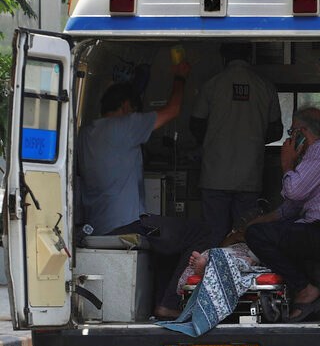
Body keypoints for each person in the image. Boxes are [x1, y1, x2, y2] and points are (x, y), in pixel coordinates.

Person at [78, 63, 217, 319]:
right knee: (199, 231)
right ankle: (169, 304)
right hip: (132, 227)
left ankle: (160, 303)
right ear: (126, 108)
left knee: (167, 238)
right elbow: (173, 110)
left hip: (99, 226)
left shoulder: (86, 133)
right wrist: (180, 77)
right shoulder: (125, 125)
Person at [240, 107, 320, 321]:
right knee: (260, 232)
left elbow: (294, 190)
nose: (290, 138)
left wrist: (287, 163)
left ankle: (305, 289)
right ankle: (300, 297)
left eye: (292, 132)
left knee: (258, 236)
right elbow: (291, 207)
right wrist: (258, 223)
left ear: (301, 132)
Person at [190, 42, 283, 243]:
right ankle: (240, 272)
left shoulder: (212, 84)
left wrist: (213, 139)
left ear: (223, 58)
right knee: (244, 234)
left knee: (213, 235)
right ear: (250, 57)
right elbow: (276, 131)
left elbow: (196, 124)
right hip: (250, 175)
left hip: (214, 174)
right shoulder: (265, 86)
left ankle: (212, 271)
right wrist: (253, 138)